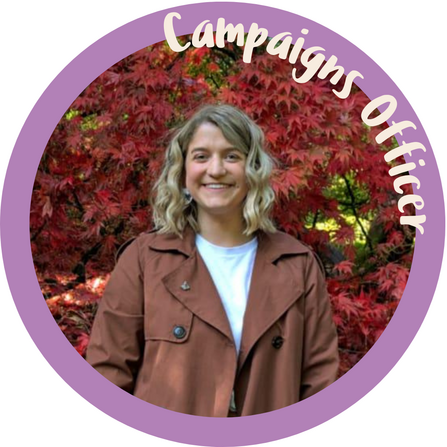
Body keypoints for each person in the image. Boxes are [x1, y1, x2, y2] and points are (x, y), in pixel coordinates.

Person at [86, 104, 339, 417]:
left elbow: (320, 384)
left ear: (253, 170)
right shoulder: (144, 260)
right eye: (201, 156)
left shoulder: (297, 265)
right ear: (183, 171)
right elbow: (107, 376)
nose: (216, 169)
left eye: (232, 156)